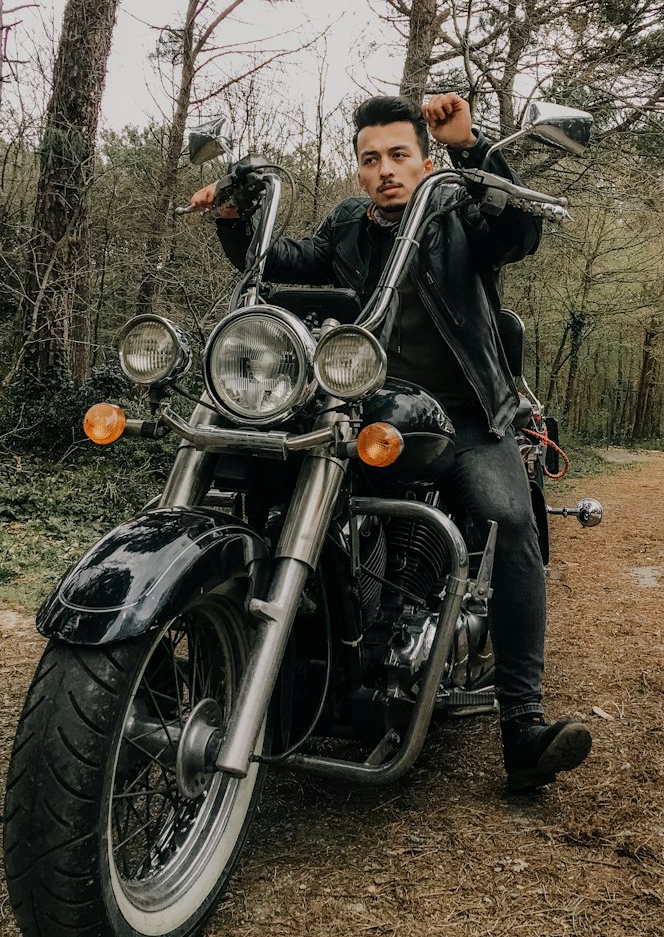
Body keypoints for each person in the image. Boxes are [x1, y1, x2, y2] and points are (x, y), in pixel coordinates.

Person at [191, 92, 591, 793]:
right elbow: (281, 262)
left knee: (510, 520)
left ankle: (522, 727)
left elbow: (515, 235)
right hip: (366, 406)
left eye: (399, 155)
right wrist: (236, 213)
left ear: (424, 159)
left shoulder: (457, 211)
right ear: (357, 171)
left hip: (467, 415)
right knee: (266, 482)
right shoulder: (348, 225)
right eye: (371, 158)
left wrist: (473, 150)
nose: (386, 170)